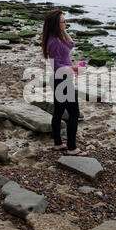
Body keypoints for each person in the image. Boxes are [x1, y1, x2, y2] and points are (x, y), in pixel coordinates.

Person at [41, 9, 87, 156]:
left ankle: (58, 144)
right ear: (56, 24)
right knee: (74, 113)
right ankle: (72, 148)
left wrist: (64, 30)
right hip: (62, 80)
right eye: (63, 21)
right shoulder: (54, 41)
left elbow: (71, 44)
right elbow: (56, 66)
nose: (66, 23)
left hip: (61, 79)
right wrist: (74, 68)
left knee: (59, 112)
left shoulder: (57, 37)